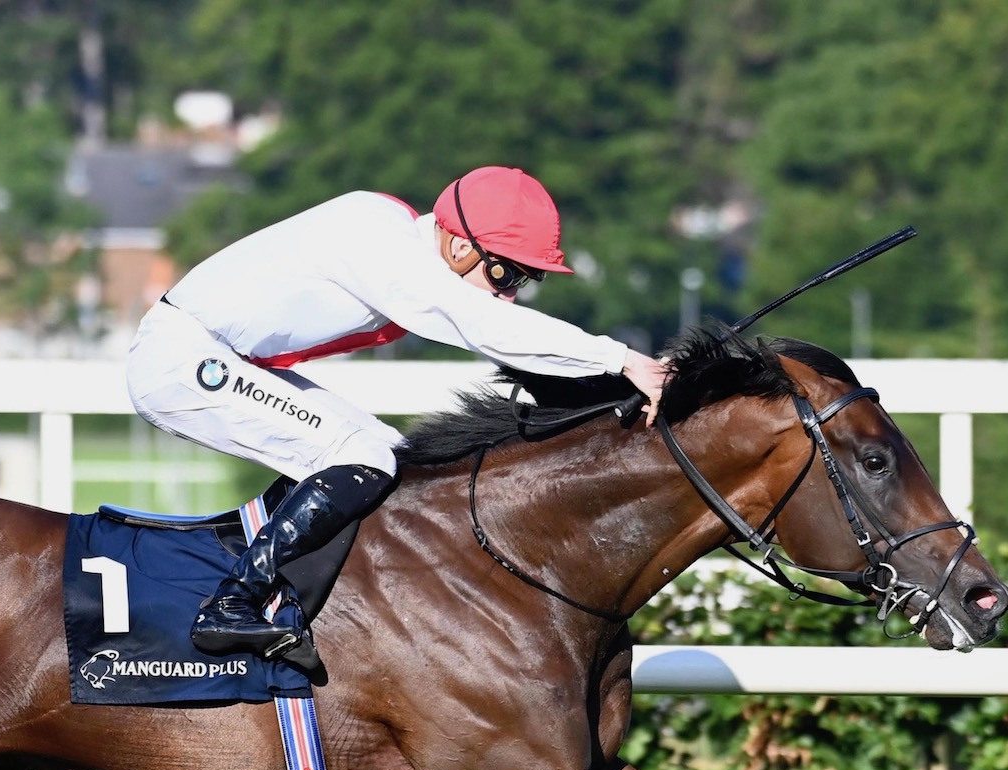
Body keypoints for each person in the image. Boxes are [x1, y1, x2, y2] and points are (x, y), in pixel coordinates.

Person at [126, 165, 668, 660]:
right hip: (184, 361)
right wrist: (623, 360)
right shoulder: (384, 248)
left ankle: (276, 595)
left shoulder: (394, 234)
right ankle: (232, 604)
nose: (508, 295)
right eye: (504, 275)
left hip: (218, 354)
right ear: (459, 246)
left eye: (522, 281)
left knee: (388, 455)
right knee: (361, 457)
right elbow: (487, 328)